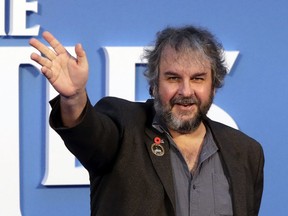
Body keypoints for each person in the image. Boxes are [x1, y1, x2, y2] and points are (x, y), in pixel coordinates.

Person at [29, 25, 264, 216]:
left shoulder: (246, 153)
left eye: (198, 78)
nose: (185, 90)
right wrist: (75, 97)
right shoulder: (123, 125)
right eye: (173, 78)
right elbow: (89, 134)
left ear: (213, 85)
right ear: (154, 84)